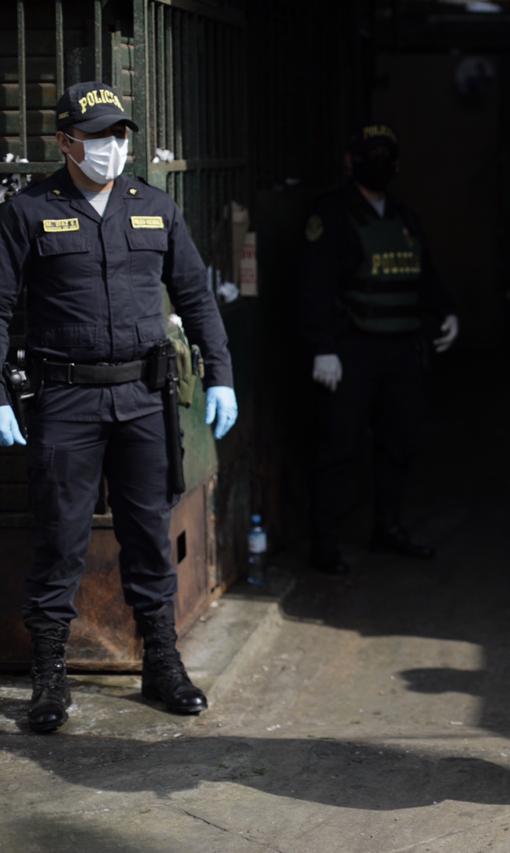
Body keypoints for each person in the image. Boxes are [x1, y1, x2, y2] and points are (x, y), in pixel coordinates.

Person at [0, 82, 238, 733]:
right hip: (65, 398)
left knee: (148, 534)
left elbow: (195, 296)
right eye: (98, 135)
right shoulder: (28, 211)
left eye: (119, 134)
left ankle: (160, 661)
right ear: (66, 141)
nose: (112, 146)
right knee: (60, 537)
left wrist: (221, 375)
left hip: (142, 398)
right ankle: (50, 675)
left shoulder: (155, 207)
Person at [301, 123, 459, 575]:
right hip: (351, 350)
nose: (380, 163)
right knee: (339, 446)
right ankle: (325, 544)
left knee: (399, 443)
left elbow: (426, 275)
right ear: (350, 161)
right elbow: (313, 285)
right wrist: (322, 347)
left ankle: (387, 528)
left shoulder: (405, 217)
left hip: (402, 350)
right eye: (371, 154)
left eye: (387, 155)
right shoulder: (331, 215)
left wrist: (446, 312)